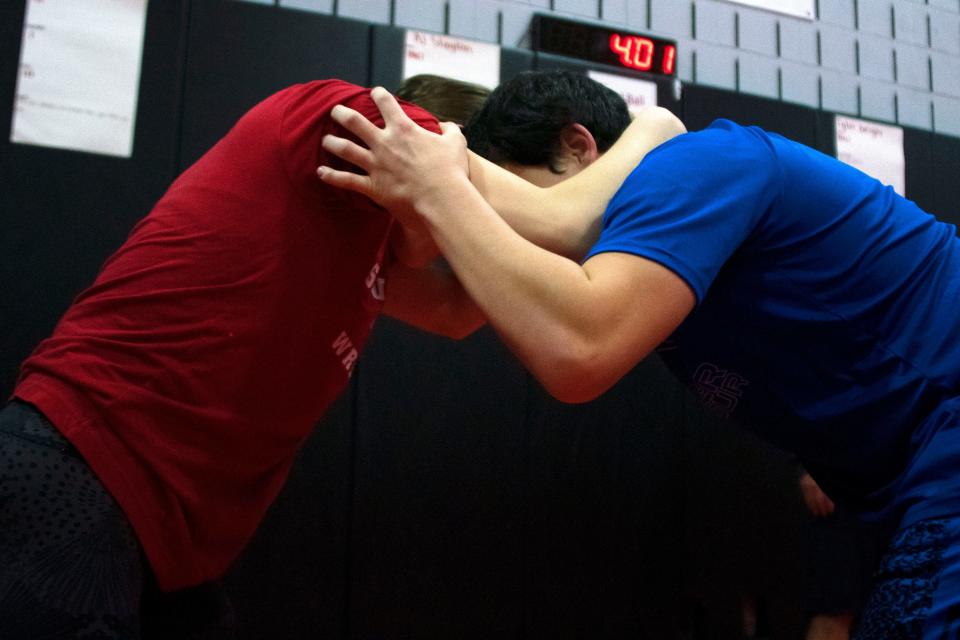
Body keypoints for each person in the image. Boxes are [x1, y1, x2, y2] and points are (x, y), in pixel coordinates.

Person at [0, 74, 681, 638]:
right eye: (485, 197)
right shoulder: (352, 116)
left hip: (170, 539)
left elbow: (457, 309)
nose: (474, 232)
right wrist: (654, 129)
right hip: (81, 463)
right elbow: (558, 219)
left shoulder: (375, 251)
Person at [317, 69, 960, 639]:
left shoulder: (697, 165)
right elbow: (459, 307)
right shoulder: (651, 236)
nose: (513, 246)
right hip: (908, 474)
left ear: (576, 148)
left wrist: (438, 187)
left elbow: (578, 348)